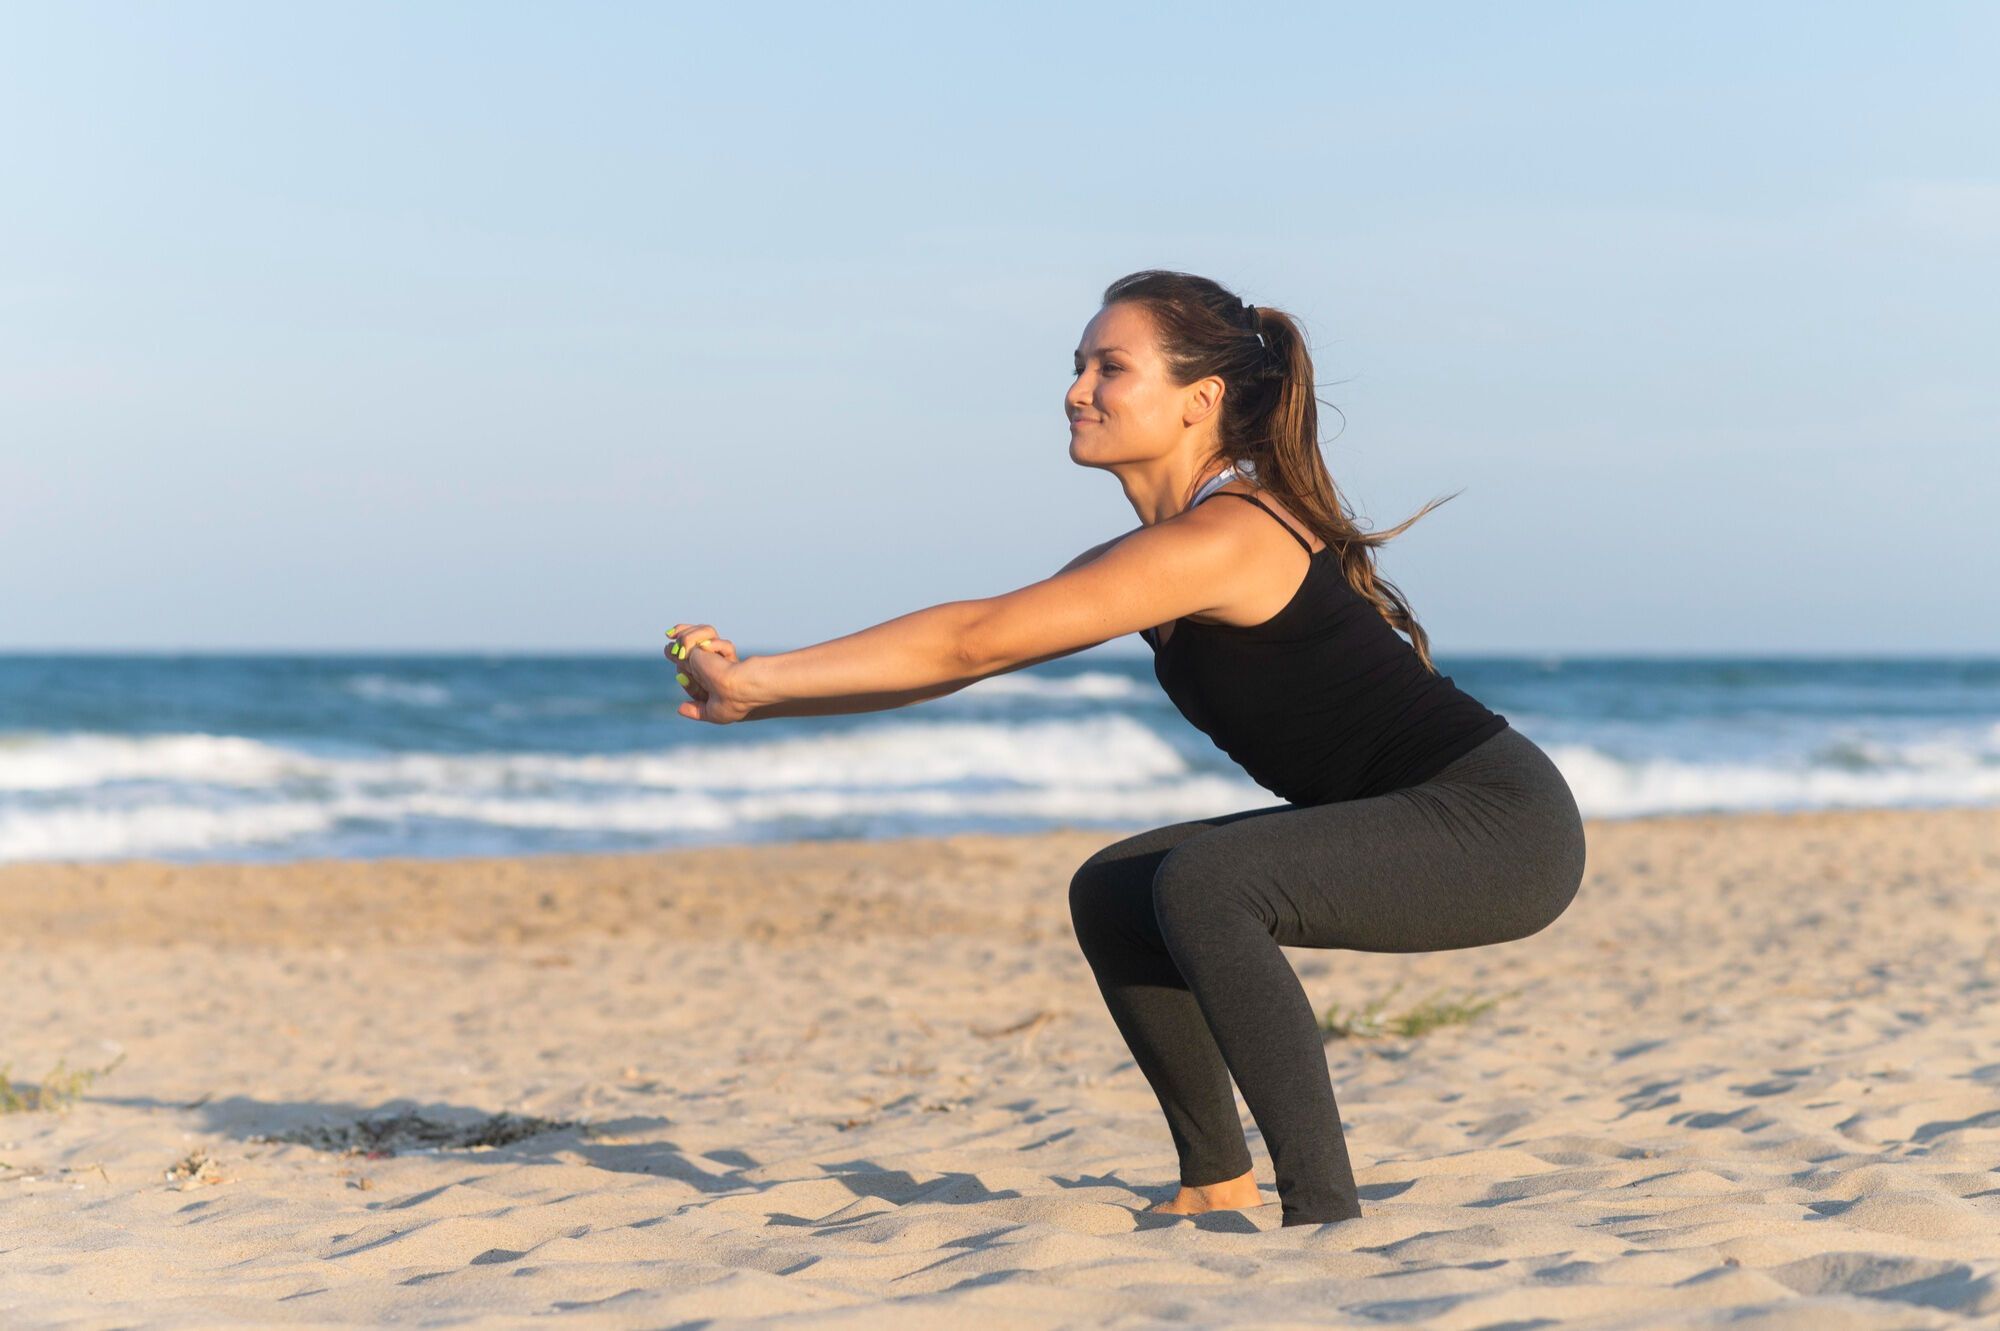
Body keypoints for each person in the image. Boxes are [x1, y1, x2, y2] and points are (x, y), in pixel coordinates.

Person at [664, 269, 1588, 1228]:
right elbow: (968, 659)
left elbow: (973, 637)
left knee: (1205, 882)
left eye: (1110, 367)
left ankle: (1323, 1213)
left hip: (1500, 827)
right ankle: (1214, 1179)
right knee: (1115, 889)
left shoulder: (1228, 534)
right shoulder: (1171, 545)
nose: (1076, 390)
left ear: (1201, 400)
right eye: (1077, 367)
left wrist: (760, 680)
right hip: (1443, 813)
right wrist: (756, 697)